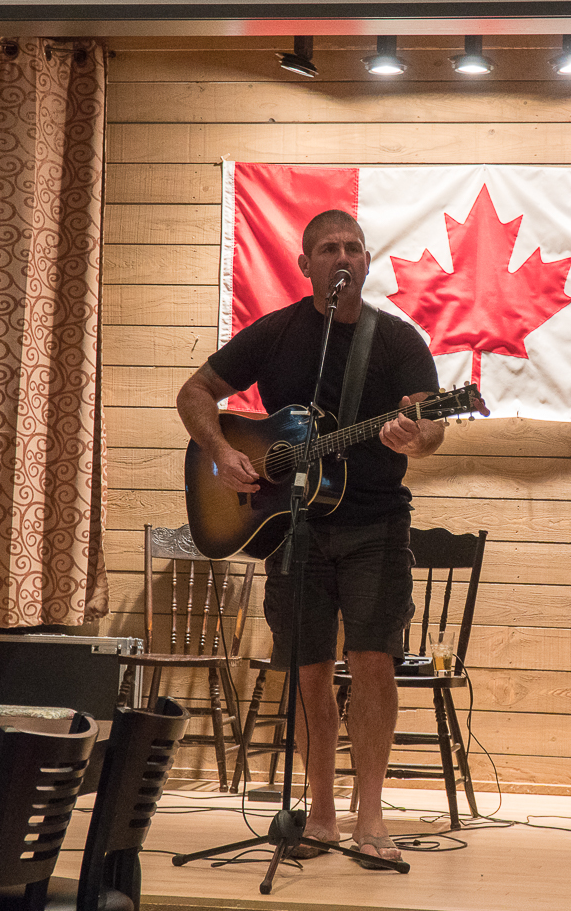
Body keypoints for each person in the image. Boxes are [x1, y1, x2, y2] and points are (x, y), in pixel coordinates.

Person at [176, 209, 447, 868]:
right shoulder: (278, 333)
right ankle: (320, 811)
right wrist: (219, 452)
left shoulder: (398, 340)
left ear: (368, 261)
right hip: (292, 530)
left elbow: (434, 424)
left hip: (375, 525)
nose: (343, 255)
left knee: (375, 661)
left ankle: (371, 815)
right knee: (308, 670)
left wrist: (419, 434)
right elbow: (195, 393)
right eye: (329, 247)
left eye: (354, 245)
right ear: (306, 266)